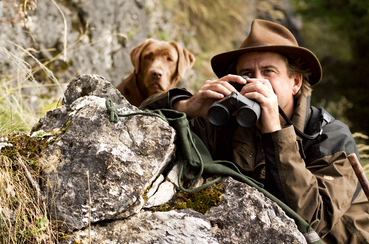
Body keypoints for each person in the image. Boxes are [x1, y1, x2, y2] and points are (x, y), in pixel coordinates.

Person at [140, 19, 369, 243]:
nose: (257, 83)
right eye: (248, 74)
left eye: (269, 71)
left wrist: (275, 132)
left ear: (295, 82)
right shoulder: (229, 124)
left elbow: (311, 219)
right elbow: (137, 132)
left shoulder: (330, 136)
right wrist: (185, 106)